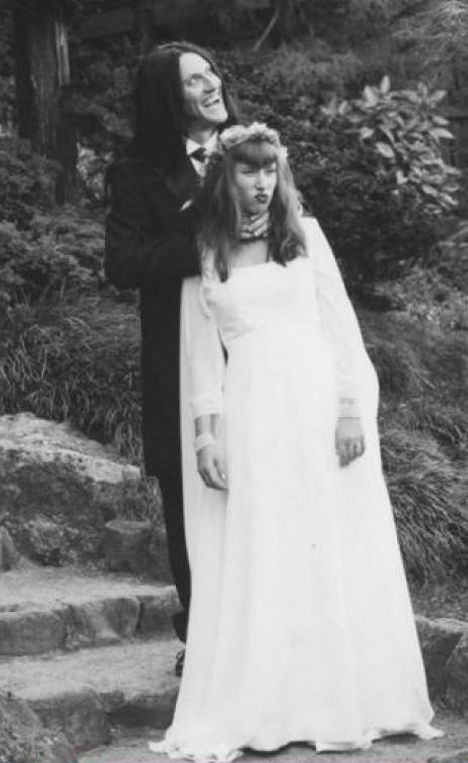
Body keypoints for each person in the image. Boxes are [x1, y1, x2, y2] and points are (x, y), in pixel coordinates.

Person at [150, 123, 443, 761]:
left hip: (313, 405)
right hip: (250, 410)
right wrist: (206, 436)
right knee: (265, 545)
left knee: (329, 539)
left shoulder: (305, 238)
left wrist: (347, 411)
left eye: (270, 171)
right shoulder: (206, 249)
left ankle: (343, 697)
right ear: (223, 179)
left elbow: (341, 329)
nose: (261, 184)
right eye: (247, 171)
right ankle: (271, 700)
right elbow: (202, 355)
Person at [105, 43, 266, 665]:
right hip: (181, 360)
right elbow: (122, 265)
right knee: (191, 496)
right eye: (193, 80)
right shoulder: (137, 173)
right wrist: (203, 240)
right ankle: (205, 643)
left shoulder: (253, 156)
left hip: (258, 351)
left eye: (211, 74)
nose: (211, 86)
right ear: (166, 100)